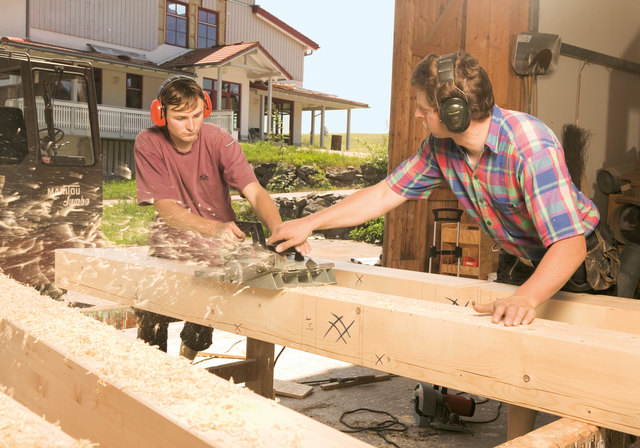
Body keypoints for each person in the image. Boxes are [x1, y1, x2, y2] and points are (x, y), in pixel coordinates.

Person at [267, 50, 618, 328]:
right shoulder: (440, 148)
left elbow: (568, 244)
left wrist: (526, 298)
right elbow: (384, 193)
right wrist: (309, 222)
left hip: (578, 259)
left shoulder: (530, 145)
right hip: (525, 255)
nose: (418, 114)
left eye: (424, 107)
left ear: (454, 113)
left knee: (579, 368)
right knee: (519, 355)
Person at [134, 75, 308, 360]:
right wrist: (214, 228)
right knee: (152, 323)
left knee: (201, 330)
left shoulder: (219, 140)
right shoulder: (149, 142)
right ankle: (155, 378)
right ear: (161, 114)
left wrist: (278, 228)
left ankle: (184, 367)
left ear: (205, 109)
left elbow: (255, 192)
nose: (191, 126)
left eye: (196, 115)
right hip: (170, 247)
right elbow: (166, 208)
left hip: (217, 251)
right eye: (180, 118)